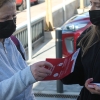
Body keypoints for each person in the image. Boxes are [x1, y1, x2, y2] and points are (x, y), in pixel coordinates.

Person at [0, 0, 53, 100]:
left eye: (14, 16)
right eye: (5, 18)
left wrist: (36, 71)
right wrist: (27, 75)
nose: (11, 21)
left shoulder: (12, 42)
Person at [61, 0, 100, 100]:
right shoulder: (87, 35)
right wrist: (62, 71)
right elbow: (81, 73)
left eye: (98, 5)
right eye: (91, 4)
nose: (91, 9)